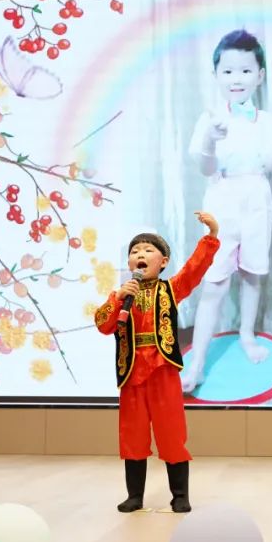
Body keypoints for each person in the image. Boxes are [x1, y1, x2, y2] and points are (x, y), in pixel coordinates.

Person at [181, 29, 272, 394]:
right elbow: (205, 168)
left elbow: (270, 165)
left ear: (260, 75)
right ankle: (197, 363)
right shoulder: (209, 119)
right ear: (216, 75)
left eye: (246, 71)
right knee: (214, 282)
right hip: (222, 204)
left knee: (252, 274)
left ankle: (247, 335)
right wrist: (210, 140)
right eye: (228, 71)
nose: (237, 79)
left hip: (257, 201)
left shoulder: (267, 121)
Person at [94, 212, 220, 513]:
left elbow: (193, 270)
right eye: (135, 251)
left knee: (171, 432)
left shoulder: (171, 289)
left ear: (163, 262)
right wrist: (117, 298)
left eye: (148, 250)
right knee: (132, 435)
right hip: (131, 371)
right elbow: (103, 325)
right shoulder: (121, 295)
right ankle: (134, 496)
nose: (140, 254)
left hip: (162, 369)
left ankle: (180, 496)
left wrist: (212, 236)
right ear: (129, 263)